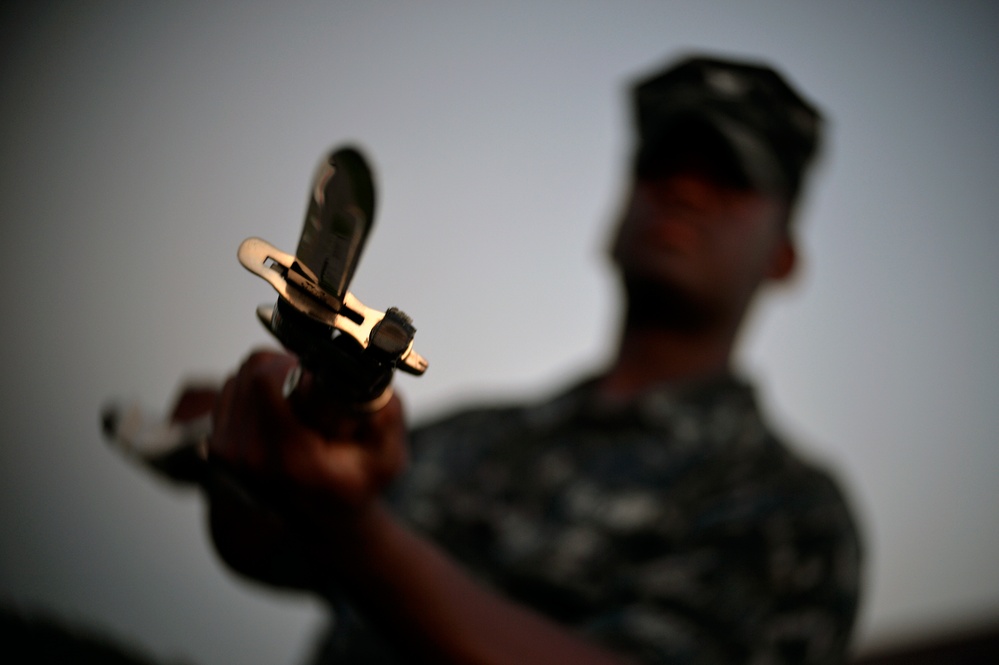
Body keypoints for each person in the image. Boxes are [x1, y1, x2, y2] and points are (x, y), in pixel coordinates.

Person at [188, 54, 863, 664]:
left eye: (729, 178)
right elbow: (269, 550)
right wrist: (249, 454)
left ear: (783, 257)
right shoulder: (472, 437)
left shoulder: (786, 511)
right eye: (659, 165)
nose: (682, 191)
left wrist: (354, 529)